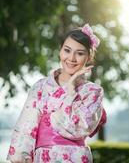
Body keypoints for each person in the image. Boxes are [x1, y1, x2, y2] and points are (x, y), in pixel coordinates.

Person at [7, 23, 106, 163]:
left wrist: (71, 91)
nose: (71, 58)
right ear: (60, 51)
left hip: (76, 158)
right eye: (67, 50)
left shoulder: (93, 92)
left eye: (80, 53)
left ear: (88, 57)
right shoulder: (40, 87)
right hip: (43, 158)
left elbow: (77, 128)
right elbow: (25, 128)